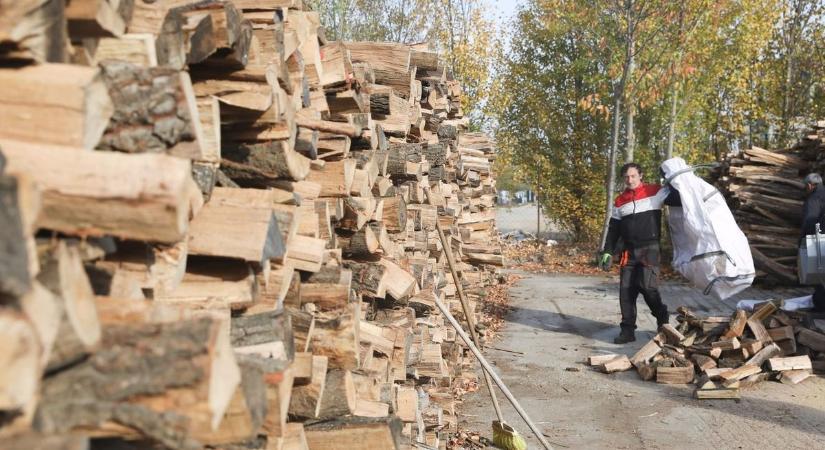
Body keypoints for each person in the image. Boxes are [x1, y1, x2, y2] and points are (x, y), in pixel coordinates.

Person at [599, 162, 680, 344]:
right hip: (628, 251)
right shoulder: (620, 201)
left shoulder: (655, 191)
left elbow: (678, 200)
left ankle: (662, 317)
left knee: (648, 288)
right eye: (626, 177)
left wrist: (675, 182)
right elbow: (613, 229)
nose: (630, 180)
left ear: (640, 175)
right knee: (626, 291)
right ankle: (627, 330)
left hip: (650, 249)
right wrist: (608, 251)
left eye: (633, 176)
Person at [800, 172, 825, 312]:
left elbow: (810, 222)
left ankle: (821, 306)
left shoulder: (814, 199)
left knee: (819, 275)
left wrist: (802, 243)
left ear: (810, 185)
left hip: (819, 241)